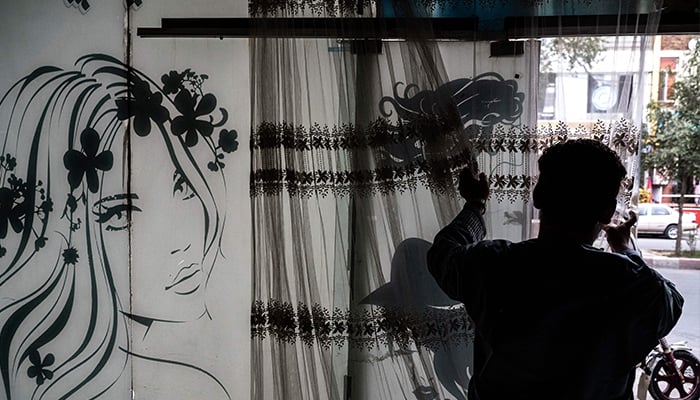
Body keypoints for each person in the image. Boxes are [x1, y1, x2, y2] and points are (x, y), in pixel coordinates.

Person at [0, 55, 235, 399]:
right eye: (121, 216)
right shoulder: (195, 389)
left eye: (181, 186)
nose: (180, 243)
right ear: (59, 237)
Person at [427, 138, 684, 400]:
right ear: (607, 212)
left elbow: (443, 254)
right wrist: (624, 248)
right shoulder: (628, 280)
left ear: (538, 196)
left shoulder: (494, 264)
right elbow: (671, 302)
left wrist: (475, 203)